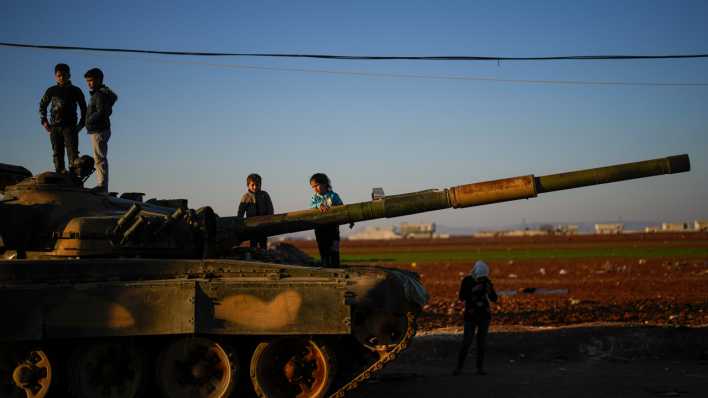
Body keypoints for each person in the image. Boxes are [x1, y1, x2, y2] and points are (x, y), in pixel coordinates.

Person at [39, 63, 87, 173]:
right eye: (59, 75)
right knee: (57, 152)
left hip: (70, 126)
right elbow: (42, 105)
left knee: (72, 153)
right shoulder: (51, 90)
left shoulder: (76, 90)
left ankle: (74, 178)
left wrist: (81, 124)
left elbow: (84, 109)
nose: (61, 78)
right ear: (55, 76)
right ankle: (60, 175)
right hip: (54, 127)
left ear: (69, 75)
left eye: (64, 75)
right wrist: (44, 121)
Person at [453, 260, 498, 376]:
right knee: (467, 342)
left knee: (481, 343)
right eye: (480, 277)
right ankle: (459, 368)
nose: (481, 279)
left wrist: (489, 291)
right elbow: (462, 297)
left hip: (484, 315)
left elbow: (494, 298)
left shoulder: (487, 281)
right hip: (470, 315)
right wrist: (473, 290)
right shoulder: (467, 281)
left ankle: (480, 368)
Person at [84, 67, 118, 193]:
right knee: (99, 158)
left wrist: (88, 121)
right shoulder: (101, 94)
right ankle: (102, 185)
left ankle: (102, 186)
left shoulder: (99, 95)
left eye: (91, 80)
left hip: (98, 129)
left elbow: (101, 112)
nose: (89, 83)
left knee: (99, 158)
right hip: (99, 129)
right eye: (87, 81)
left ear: (99, 80)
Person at [309, 173, 351, 267]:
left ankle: (336, 267)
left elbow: (342, 208)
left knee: (334, 249)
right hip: (320, 228)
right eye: (313, 187)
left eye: (316, 185)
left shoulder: (333, 196)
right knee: (323, 249)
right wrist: (318, 205)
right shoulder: (314, 198)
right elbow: (311, 208)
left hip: (333, 228)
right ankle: (326, 267)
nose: (315, 189)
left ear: (324, 184)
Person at [237, 173, 274, 249]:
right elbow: (241, 211)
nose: (255, 187)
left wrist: (270, 219)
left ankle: (264, 256)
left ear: (260, 185)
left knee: (263, 243)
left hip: (263, 224)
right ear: (248, 185)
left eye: (257, 185)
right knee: (253, 243)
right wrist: (240, 222)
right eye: (253, 185)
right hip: (251, 225)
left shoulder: (264, 195)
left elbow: (270, 208)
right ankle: (255, 256)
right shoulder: (246, 197)